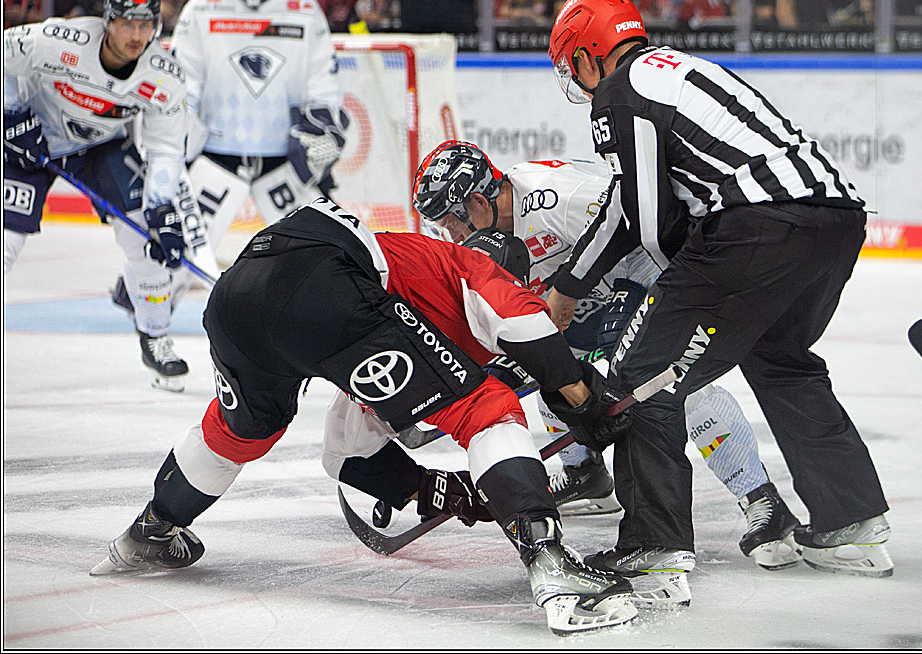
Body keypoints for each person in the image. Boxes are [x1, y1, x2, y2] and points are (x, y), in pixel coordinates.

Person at [91, 196, 639, 636]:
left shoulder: (404, 287)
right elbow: (527, 330)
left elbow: (344, 450)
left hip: (237, 296)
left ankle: (152, 529)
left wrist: (430, 490)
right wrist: (585, 403)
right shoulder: (476, 267)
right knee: (486, 411)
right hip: (326, 286)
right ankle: (553, 566)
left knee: (243, 430)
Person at [545, 0, 892, 583]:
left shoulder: (620, 91)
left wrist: (571, 286)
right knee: (781, 360)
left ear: (589, 50)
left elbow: (643, 219)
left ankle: (655, 541)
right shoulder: (684, 67)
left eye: (572, 61)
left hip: (756, 225)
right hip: (836, 218)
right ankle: (849, 524)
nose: (575, 78)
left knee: (639, 378)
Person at [412, 140, 802, 579]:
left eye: (449, 221)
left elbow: (649, 217)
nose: (450, 236)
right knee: (550, 376)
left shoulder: (554, 195)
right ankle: (587, 475)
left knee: (672, 391)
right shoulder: (486, 232)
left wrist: (667, 298)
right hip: (584, 303)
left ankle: (763, 501)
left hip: (650, 281)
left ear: (478, 201)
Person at [3, 0, 201, 391]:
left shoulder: (164, 77)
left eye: (145, 24)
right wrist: (12, 114)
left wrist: (162, 208)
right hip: (31, 140)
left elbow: (165, 149)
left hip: (101, 147)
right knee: (6, 243)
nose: (136, 34)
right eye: (127, 23)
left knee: (148, 240)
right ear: (107, 20)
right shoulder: (59, 40)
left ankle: (156, 337)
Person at [107, 0, 346, 315]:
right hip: (216, 155)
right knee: (174, 252)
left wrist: (324, 128)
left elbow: (323, 84)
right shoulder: (205, 4)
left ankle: (329, 327)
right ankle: (151, 328)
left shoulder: (302, 6)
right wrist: (173, 148)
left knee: (321, 255)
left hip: (284, 159)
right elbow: (181, 86)